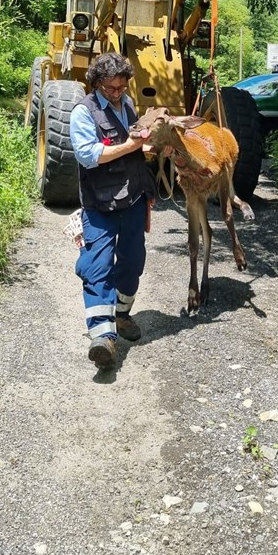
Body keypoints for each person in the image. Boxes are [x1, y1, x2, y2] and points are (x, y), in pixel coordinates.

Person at [68, 52, 157, 370]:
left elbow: (132, 144)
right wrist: (132, 146)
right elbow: (88, 155)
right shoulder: (83, 112)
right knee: (97, 267)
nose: (117, 93)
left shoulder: (127, 103)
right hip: (100, 205)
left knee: (132, 264)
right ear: (96, 84)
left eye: (121, 87)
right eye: (110, 88)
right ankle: (103, 338)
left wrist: (150, 149)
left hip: (132, 199)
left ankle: (121, 315)